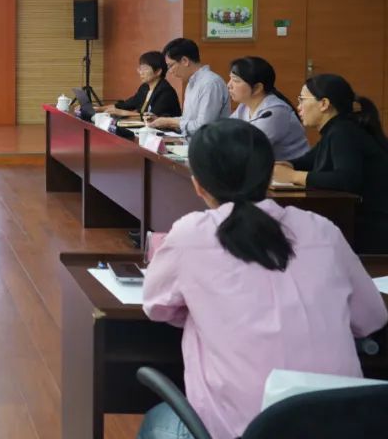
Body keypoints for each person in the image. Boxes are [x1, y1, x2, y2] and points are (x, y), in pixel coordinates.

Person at [139, 119, 387, 439]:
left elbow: (156, 306)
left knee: (157, 420)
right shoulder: (322, 229)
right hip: (344, 428)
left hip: (242, 432)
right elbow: (372, 317)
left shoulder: (190, 235)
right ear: (269, 176)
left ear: (197, 184)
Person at [273, 74, 388, 253]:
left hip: (370, 228)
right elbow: (307, 161)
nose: (298, 106)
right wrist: (281, 166)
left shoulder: (343, 132)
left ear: (324, 104)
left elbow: (346, 180)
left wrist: (293, 176)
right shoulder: (336, 130)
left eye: (302, 100)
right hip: (357, 222)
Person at [227, 56, 308, 161]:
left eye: (235, 80)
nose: (229, 85)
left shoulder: (275, 112)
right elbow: (226, 134)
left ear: (257, 88)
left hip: (292, 169)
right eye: (230, 79)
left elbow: (247, 150)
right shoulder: (244, 106)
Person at [148, 38, 228, 135]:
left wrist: (169, 122)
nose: (170, 71)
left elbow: (203, 127)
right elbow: (188, 120)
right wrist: (162, 121)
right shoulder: (192, 82)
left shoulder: (210, 83)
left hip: (206, 143)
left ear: (185, 61)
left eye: (171, 66)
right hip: (189, 140)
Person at [101, 51, 181, 118]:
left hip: (164, 131)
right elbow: (126, 105)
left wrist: (122, 113)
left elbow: (151, 117)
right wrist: (99, 109)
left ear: (158, 71)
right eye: (140, 69)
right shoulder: (145, 87)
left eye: (145, 69)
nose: (141, 73)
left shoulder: (165, 91)